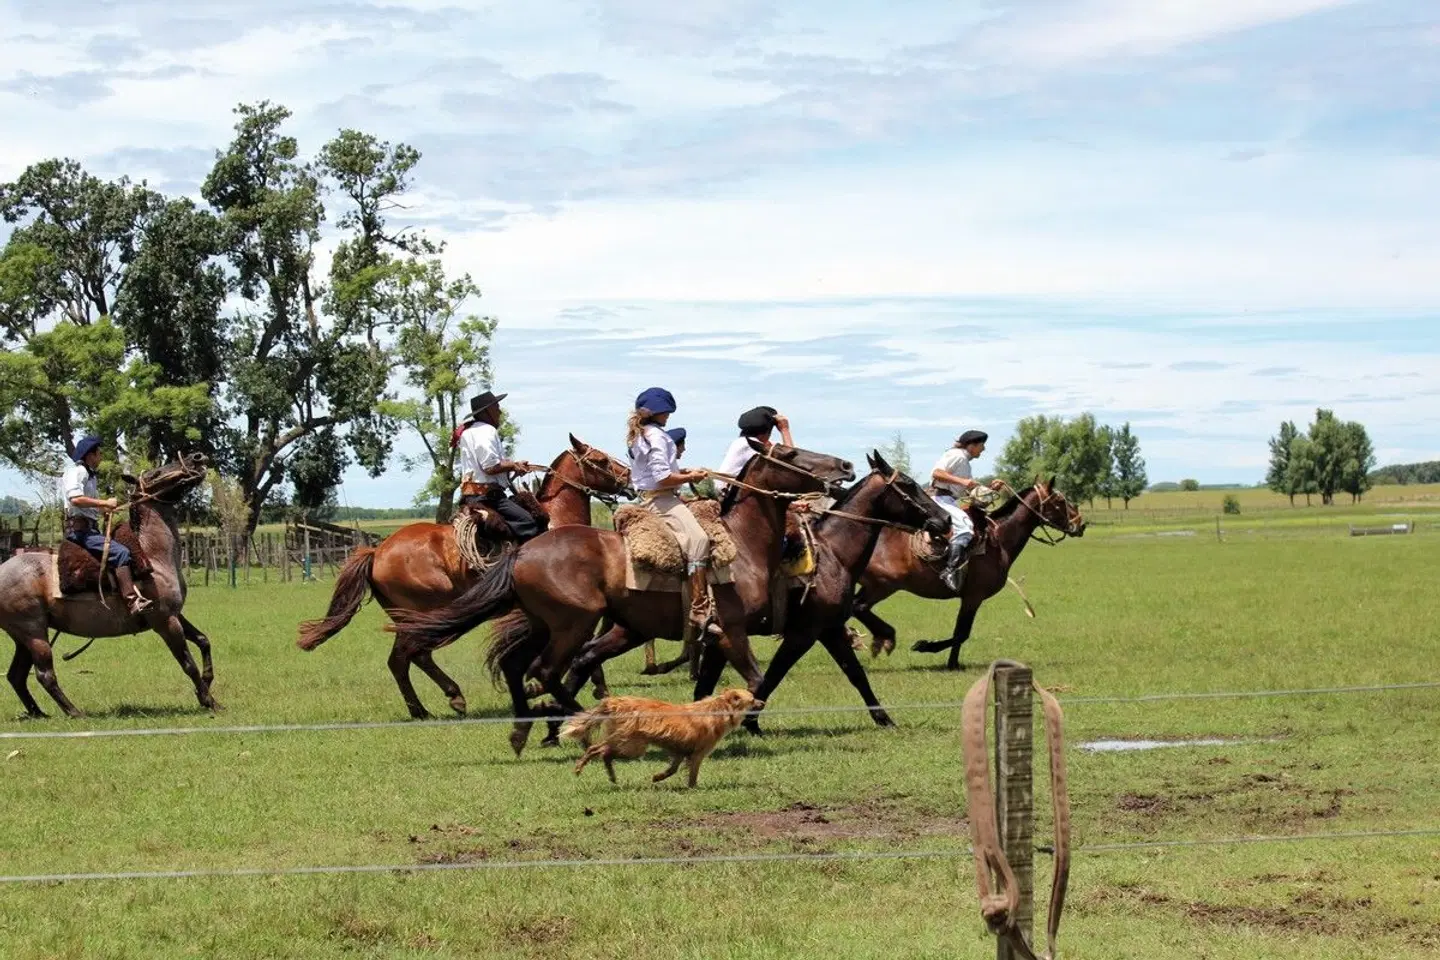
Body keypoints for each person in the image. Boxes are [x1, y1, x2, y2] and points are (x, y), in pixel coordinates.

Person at [627, 388, 718, 635]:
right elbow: (662, 477)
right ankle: (700, 609)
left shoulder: (643, 434)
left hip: (652, 497)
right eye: (666, 411)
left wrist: (685, 473)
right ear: (657, 412)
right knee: (699, 540)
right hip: (662, 500)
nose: (668, 416)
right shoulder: (657, 436)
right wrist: (693, 476)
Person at [59, 435, 151, 614]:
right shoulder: (77, 472)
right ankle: (132, 602)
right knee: (121, 552)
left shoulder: (90, 477)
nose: (101, 457)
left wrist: (103, 510)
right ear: (90, 455)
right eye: (99, 453)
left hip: (89, 528)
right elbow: (76, 499)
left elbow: (86, 506)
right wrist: (104, 503)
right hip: (80, 532)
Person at [453, 390, 542, 540]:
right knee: (529, 522)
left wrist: (515, 466)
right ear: (487, 411)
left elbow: (487, 466)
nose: (500, 411)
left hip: (473, 495)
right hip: (488, 498)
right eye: (497, 407)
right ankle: (488, 521)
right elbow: (490, 467)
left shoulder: (470, 431)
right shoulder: (486, 430)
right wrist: (513, 465)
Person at [930, 429, 1006, 591]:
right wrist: (963, 481)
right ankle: (950, 571)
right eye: (981, 445)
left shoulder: (964, 461)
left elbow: (974, 497)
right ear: (971, 445)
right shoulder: (957, 455)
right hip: (941, 499)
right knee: (965, 529)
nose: (983, 449)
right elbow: (936, 473)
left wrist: (992, 489)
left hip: (949, 500)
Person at [715, 406, 793, 492]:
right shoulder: (747, 445)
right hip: (728, 495)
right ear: (767, 432)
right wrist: (785, 430)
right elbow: (791, 460)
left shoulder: (742, 442)